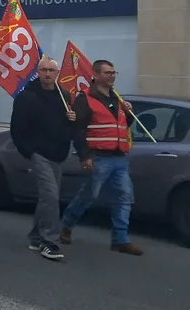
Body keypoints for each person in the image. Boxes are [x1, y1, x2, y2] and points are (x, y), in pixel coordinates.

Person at [59, 59, 142, 255]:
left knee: (124, 197)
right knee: (89, 196)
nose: (112, 76)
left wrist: (128, 114)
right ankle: (66, 226)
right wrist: (84, 156)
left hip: (119, 157)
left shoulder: (117, 99)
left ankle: (121, 240)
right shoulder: (85, 99)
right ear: (95, 75)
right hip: (98, 157)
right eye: (108, 73)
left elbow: (121, 126)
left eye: (114, 73)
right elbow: (78, 130)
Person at [10, 57, 75, 260]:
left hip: (58, 153)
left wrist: (72, 120)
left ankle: (36, 236)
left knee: (47, 198)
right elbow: (17, 128)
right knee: (51, 196)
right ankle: (49, 242)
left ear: (57, 73)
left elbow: (67, 128)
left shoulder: (63, 96)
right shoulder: (27, 97)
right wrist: (29, 151)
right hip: (39, 154)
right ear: (37, 72)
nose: (48, 74)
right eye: (44, 70)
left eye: (52, 70)